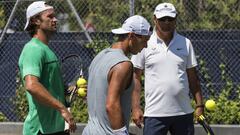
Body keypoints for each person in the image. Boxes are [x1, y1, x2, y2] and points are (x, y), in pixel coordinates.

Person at [131, 2, 204, 135]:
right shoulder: (145, 43)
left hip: (183, 113)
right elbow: (135, 78)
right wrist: (135, 107)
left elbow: (193, 77)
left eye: (170, 19)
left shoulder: (186, 43)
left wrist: (199, 105)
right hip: (154, 114)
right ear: (154, 19)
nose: (166, 22)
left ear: (176, 19)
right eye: (162, 19)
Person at [82, 15, 152, 135]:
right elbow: (111, 105)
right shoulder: (124, 64)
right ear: (131, 36)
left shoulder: (99, 56)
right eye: (145, 40)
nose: (145, 46)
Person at [18, 1, 76, 135]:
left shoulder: (46, 49)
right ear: (36, 21)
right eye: (50, 16)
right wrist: (62, 108)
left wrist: (69, 90)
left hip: (55, 129)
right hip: (40, 130)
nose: (55, 19)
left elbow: (49, 86)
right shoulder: (33, 49)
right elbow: (32, 85)